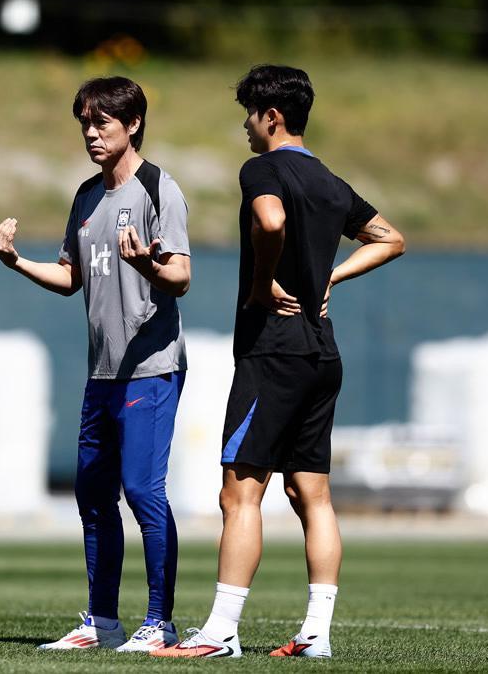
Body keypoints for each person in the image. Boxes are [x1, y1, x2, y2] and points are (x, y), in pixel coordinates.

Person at [151, 65, 406, 659]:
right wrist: (329, 274)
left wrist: (265, 283)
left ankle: (219, 634)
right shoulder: (330, 181)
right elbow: (390, 238)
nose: (244, 125)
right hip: (322, 352)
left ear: (271, 116)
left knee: (239, 493)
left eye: (248, 114)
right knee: (311, 496)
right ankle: (316, 635)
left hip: (275, 353)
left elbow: (270, 219)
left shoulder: (261, 169)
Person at [0, 76, 191, 653]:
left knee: (143, 492)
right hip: (102, 374)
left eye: (102, 123)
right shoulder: (86, 195)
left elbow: (181, 276)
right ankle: (102, 621)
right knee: (92, 496)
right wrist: (16, 261)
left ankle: (160, 622)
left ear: (134, 125)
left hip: (151, 369)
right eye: (85, 124)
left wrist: (148, 264)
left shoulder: (159, 189)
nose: (91, 134)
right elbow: (71, 278)